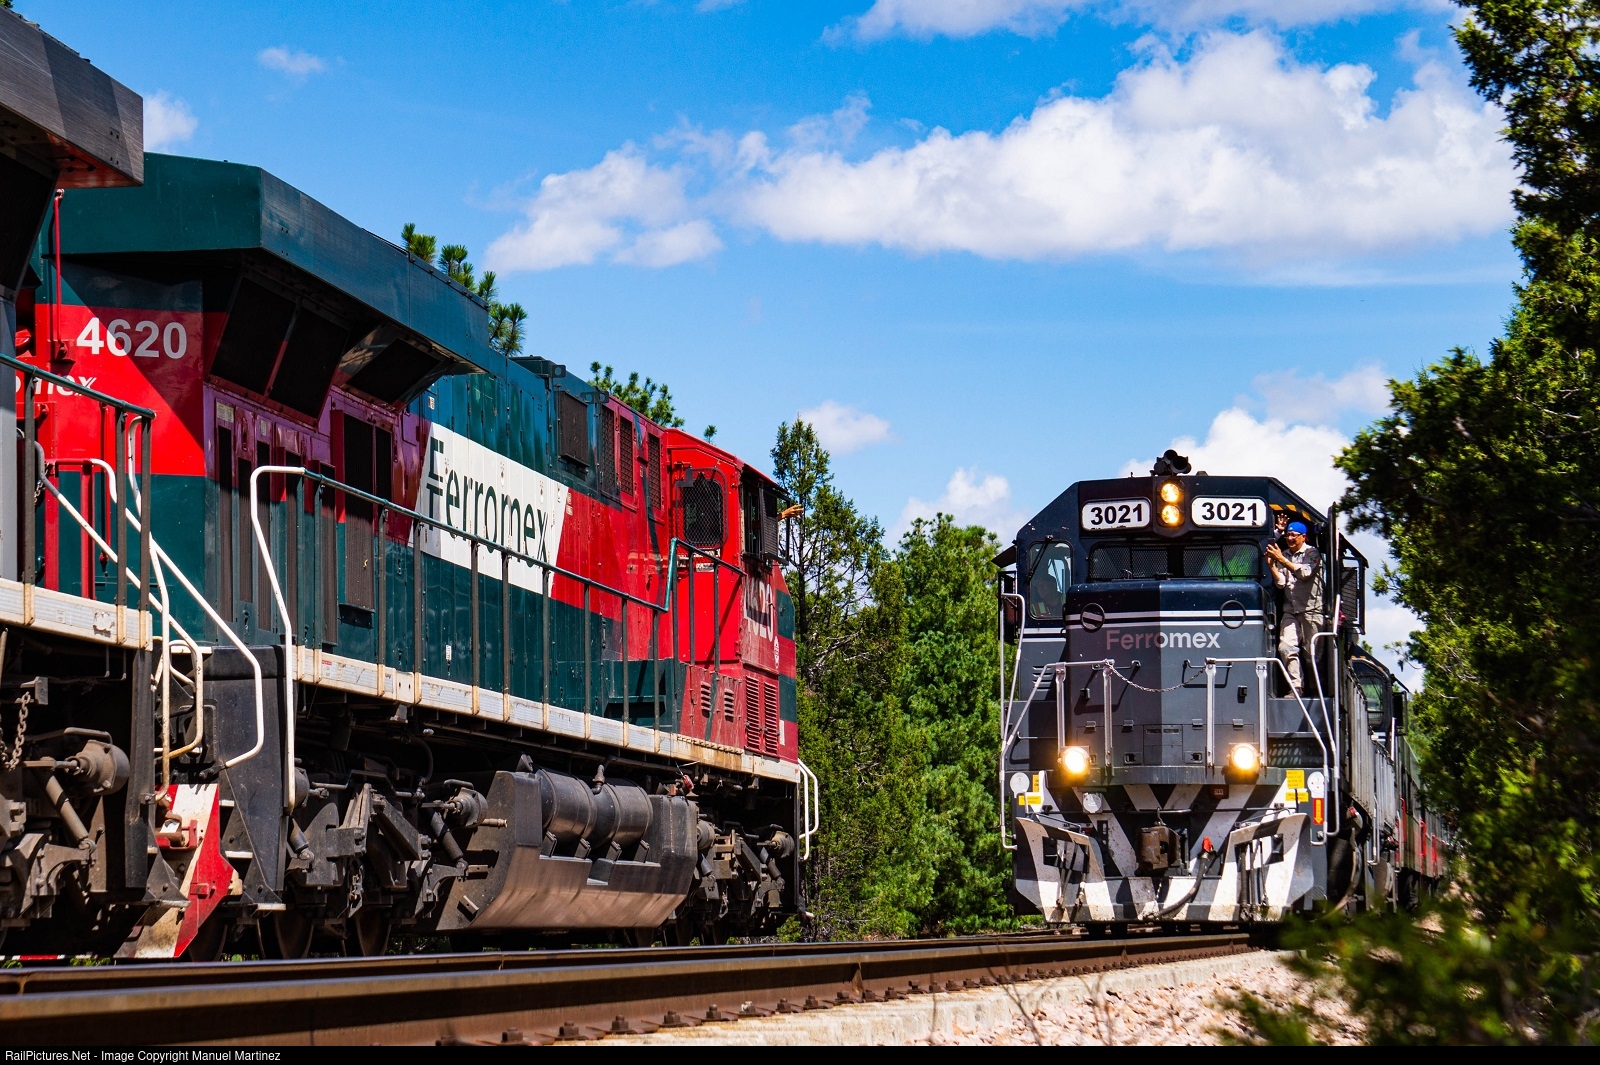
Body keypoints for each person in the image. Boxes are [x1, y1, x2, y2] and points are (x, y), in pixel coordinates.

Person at [1265, 521, 1322, 695]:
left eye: (1293, 535)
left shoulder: (1313, 553)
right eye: (1287, 535)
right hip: (1290, 609)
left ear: (1303, 537)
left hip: (1312, 610)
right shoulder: (1284, 554)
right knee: (1286, 646)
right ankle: (1296, 687)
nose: (1289, 538)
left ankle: (1315, 686)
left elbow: (1304, 573)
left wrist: (1281, 560)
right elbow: (1281, 583)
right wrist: (1272, 566)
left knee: (1311, 654)